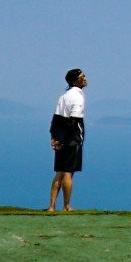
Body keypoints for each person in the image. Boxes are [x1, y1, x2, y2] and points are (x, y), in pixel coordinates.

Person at [48, 69, 87, 213]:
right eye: (82, 77)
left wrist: (55, 137)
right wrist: (64, 139)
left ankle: (52, 206)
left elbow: (56, 119)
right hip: (72, 138)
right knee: (68, 172)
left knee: (60, 171)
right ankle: (66, 206)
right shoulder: (78, 97)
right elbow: (74, 120)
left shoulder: (64, 96)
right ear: (75, 80)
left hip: (61, 135)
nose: (85, 78)